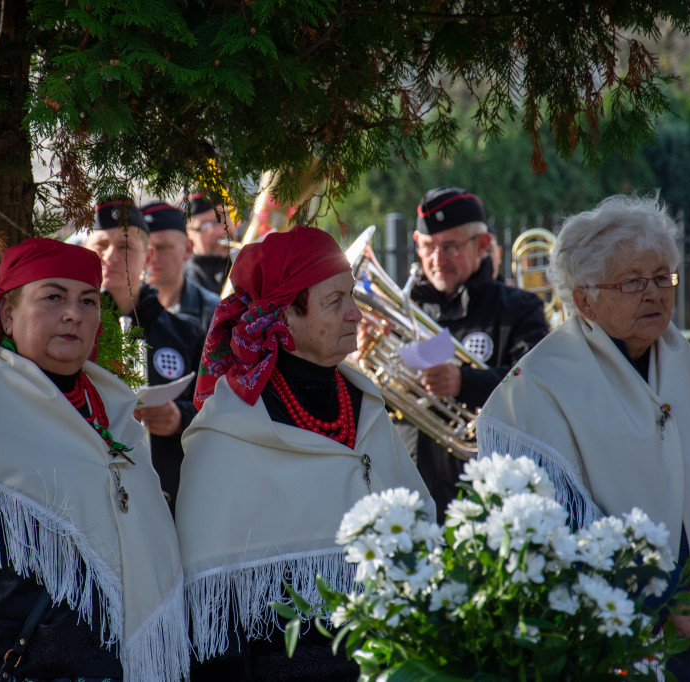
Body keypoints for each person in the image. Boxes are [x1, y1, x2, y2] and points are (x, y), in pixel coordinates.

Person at [476, 195, 690, 681]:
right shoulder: (535, 391)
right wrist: (665, 606)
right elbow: (548, 535)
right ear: (583, 299)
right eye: (634, 282)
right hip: (613, 649)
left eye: (663, 277)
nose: (657, 294)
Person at [0, 237, 188, 681]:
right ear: (7, 313)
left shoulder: (115, 415)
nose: (74, 313)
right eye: (53, 297)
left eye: (88, 300)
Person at [178, 225, 434, 681]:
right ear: (283, 317)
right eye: (336, 301)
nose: (356, 314)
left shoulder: (365, 404)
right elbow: (212, 611)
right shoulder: (228, 429)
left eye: (351, 297)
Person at [408, 187, 549, 517]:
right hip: (412, 488)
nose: (437, 259)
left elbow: (537, 384)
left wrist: (463, 382)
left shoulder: (520, 309)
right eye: (428, 247)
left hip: (487, 494)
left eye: (451, 247)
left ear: (483, 245)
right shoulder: (406, 310)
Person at [84, 196, 202, 514]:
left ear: (148, 256)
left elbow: (215, 408)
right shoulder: (73, 335)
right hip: (92, 497)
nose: (110, 256)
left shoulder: (185, 333)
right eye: (100, 245)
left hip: (170, 497)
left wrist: (181, 417)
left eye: (124, 247)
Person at [141, 200, 220, 335]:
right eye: (143, 249)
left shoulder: (212, 312)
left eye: (162, 247)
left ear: (188, 249)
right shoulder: (123, 308)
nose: (152, 258)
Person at [181, 191, 239, 295]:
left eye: (222, 218)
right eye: (205, 226)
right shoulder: (184, 283)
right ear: (187, 235)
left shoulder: (251, 251)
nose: (220, 231)